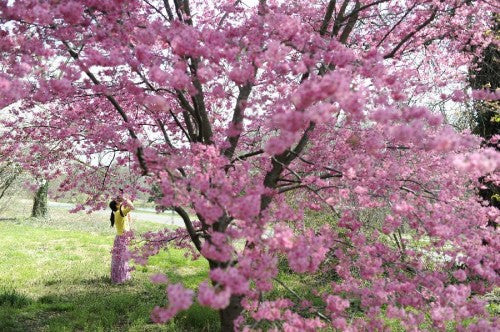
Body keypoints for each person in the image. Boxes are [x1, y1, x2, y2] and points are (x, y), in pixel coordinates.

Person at [109, 195, 134, 284]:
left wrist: (125, 198)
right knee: (121, 259)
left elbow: (129, 205)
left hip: (121, 238)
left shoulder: (120, 212)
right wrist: (124, 199)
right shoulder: (120, 213)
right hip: (122, 239)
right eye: (119, 202)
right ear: (116, 206)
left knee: (120, 259)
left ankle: (120, 278)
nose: (121, 203)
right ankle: (120, 279)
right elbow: (132, 207)